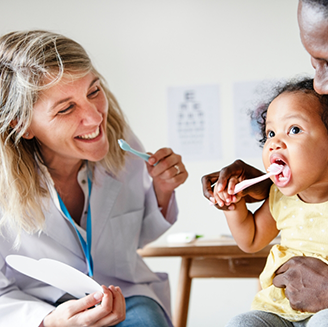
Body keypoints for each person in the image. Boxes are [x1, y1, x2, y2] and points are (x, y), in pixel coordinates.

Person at [202, 1, 328, 326]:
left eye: (294, 130)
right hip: (277, 311)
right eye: (269, 133)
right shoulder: (283, 199)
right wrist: (235, 204)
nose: (321, 84)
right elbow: (251, 239)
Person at [0, 30, 188, 327]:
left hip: (124, 294)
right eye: (66, 108)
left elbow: (135, 239)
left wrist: (162, 190)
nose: (95, 118)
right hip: (37, 306)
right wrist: (48, 321)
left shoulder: (124, 146)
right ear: (22, 124)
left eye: (93, 91)